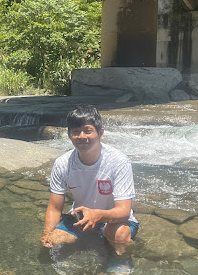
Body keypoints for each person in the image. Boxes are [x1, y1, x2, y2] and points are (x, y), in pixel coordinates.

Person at [40, 105, 139, 274]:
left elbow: (124, 211)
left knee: (120, 235)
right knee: (54, 241)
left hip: (113, 221)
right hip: (81, 219)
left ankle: (123, 260)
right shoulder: (63, 163)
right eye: (76, 132)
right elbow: (55, 207)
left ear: (100, 133)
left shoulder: (118, 161)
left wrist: (98, 215)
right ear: (69, 134)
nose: (81, 137)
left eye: (88, 131)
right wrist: (47, 233)